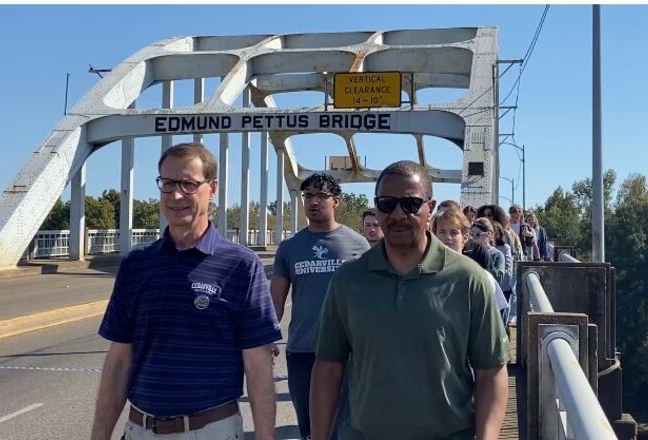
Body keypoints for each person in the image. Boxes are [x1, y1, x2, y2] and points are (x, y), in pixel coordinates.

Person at [91, 143, 281, 440]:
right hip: (140, 429)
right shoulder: (136, 265)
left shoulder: (242, 265)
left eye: (189, 184)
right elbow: (118, 362)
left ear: (212, 188)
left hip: (210, 430)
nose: (176, 195)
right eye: (167, 184)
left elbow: (258, 367)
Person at [310, 160, 509, 440]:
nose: (398, 214)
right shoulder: (348, 280)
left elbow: (491, 370)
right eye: (387, 204)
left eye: (411, 203)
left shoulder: (469, 279)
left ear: (430, 208)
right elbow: (328, 368)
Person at [271, 173, 370, 440]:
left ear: (336, 201)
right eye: (308, 196)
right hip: (303, 351)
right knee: (310, 428)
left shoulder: (358, 245)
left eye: (321, 196)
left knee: (345, 426)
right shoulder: (290, 248)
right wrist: (266, 339)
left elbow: (371, 299)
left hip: (347, 353)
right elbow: (275, 301)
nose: (313, 202)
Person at [471, 217, 506, 285]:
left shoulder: (497, 254)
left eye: (477, 235)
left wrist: (485, 254)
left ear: (488, 234)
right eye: (472, 234)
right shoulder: (468, 251)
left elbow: (499, 278)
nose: (473, 238)